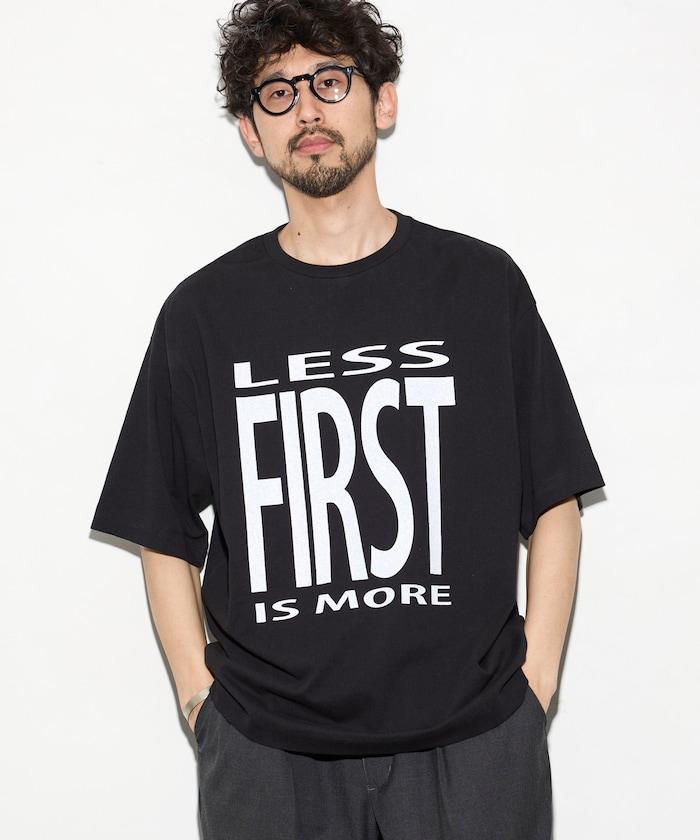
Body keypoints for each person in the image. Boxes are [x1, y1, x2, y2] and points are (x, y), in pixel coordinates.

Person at [90, 1, 605, 838]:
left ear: (382, 101)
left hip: (475, 740)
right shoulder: (204, 315)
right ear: (252, 132)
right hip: (267, 752)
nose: (307, 109)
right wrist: (199, 700)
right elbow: (162, 526)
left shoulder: (480, 288)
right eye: (278, 92)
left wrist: (534, 685)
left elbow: (554, 497)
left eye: (330, 80)